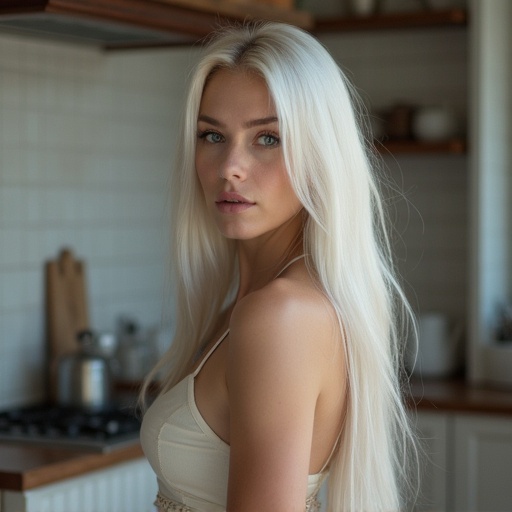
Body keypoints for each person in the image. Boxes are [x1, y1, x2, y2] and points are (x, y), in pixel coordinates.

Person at [139, 21, 417, 512]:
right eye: (212, 135)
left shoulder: (279, 317)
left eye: (268, 138)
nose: (230, 166)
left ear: (321, 155)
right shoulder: (259, 304)